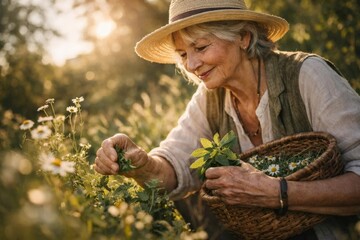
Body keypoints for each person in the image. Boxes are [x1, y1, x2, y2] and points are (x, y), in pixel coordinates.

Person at [95, 0, 360, 239]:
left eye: (200, 47)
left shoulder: (308, 76)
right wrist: (140, 164)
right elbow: (174, 169)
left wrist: (277, 192)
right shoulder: (210, 98)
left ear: (243, 37)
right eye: (184, 54)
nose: (191, 65)